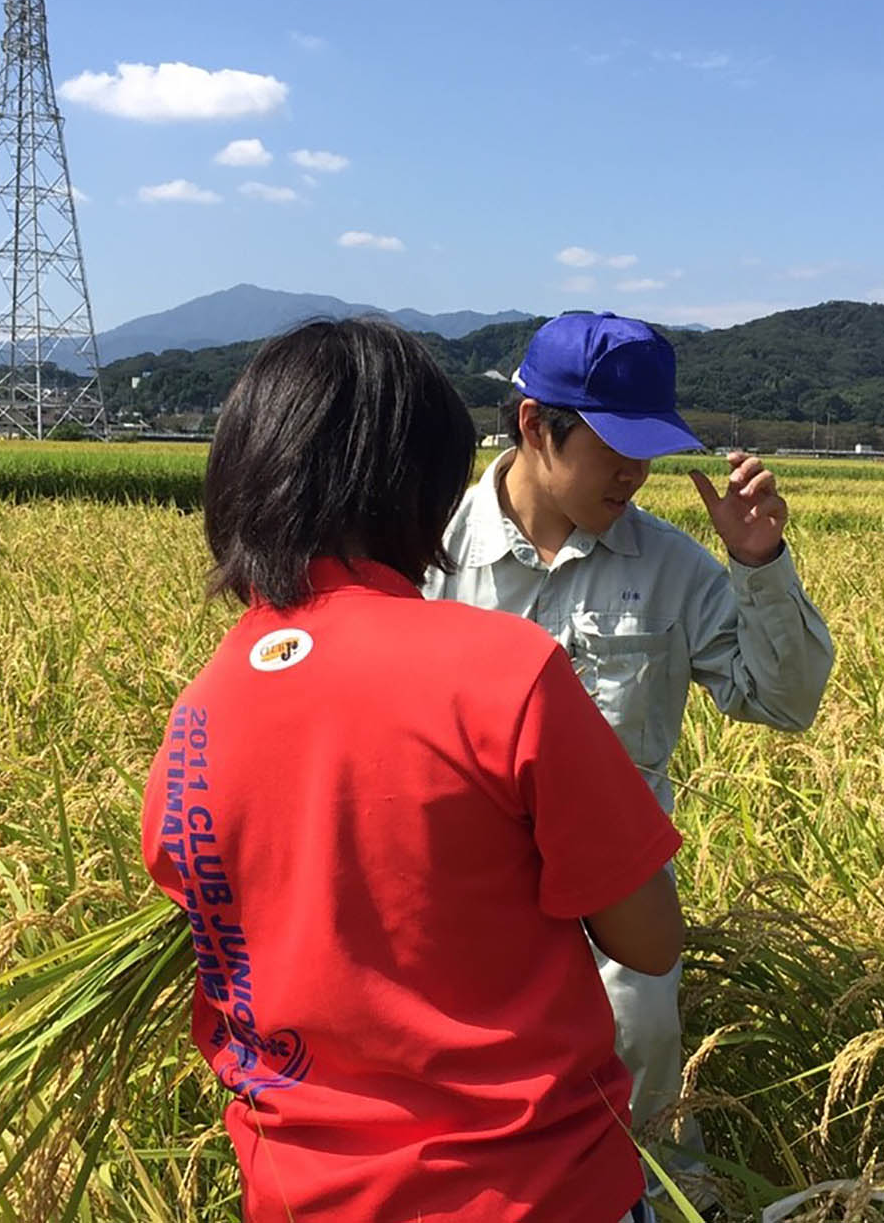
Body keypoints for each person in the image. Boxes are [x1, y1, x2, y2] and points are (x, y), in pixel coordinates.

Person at [140, 318, 684, 1223]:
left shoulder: (194, 720)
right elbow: (649, 940)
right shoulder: (506, 671)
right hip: (534, 1191)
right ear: (423, 488)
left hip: (299, 1196)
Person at [425, 311, 836, 1186]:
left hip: (623, 925)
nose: (636, 472)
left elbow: (785, 701)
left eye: (649, 449)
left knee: (641, 1134)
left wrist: (759, 563)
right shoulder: (430, 551)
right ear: (535, 424)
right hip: (456, 906)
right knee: (475, 1140)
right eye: (615, 446)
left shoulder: (673, 568)